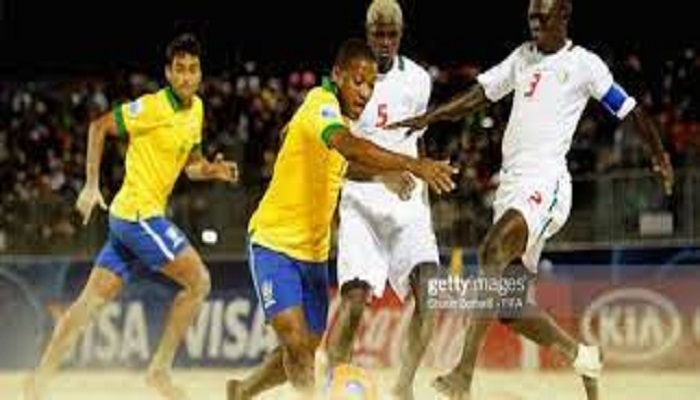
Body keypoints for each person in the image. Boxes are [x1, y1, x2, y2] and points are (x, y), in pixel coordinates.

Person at [386, 0, 674, 399]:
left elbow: (630, 110)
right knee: (510, 307)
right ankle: (581, 355)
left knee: (490, 251)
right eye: (531, 16)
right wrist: (430, 119)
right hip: (512, 187)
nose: (535, 22)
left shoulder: (585, 64)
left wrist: (659, 156)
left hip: (547, 184)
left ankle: (463, 375)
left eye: (543, 15)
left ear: (565, 15)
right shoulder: (522, 57)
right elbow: (478, 96)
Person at [226, 38, 457, 399]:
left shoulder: (338, 121)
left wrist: (384, 175)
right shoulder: (322, 104)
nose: (365, 92)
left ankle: (242, 391)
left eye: (371, 84)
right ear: (337, 75)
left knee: (304, 348)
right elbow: (347, 147)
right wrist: (412, 163)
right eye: (357, 81)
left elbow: (348, 163)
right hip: (273, 245)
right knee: (299, 348)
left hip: (314, 256)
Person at [24, 33, 239, 400]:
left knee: (85, 308)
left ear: (200, 73)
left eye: (193, 70)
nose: (187, 77)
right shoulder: (152, 107)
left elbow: (191, 166)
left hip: (130, 220)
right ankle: (159, 371)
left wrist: (212, 171)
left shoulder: (197, 109)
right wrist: (92, 185)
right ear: (168, 74)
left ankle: (36, 383)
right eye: (180, 70)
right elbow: (98, 127)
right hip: (139, 216)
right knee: (199, 282)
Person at [323, 1, 442, 399]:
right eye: (378, 34)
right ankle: (335, 385)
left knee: (431, 291)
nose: (385, 42)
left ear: (402, 34)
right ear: (367, 31)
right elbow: (343, 155)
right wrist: (383, 174)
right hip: (360, 201)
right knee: (354, 301)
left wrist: (424, 177)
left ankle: (403, 386)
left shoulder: (420, 81)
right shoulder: (349, 83)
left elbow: (417, 139)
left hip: (409, 205)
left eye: (392, 34)